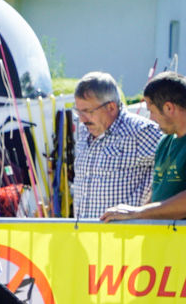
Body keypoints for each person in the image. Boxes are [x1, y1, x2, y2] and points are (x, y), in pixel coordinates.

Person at [61, 73, 164, 222]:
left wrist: (145, 210)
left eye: (88, 112)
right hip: (84, 236)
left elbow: (175, 168)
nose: (82, 120)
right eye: (78, 112)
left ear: (111, 107)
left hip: (124, 238)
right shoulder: (85, 129)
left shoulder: (141, 131)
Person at [101, 72, 186, 222]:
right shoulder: (165, 142)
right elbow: (157, 194)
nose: (150, 118)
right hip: (162, 243)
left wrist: (138, 212)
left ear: (168, 108)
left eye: (151, 111)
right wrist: (137, 221)